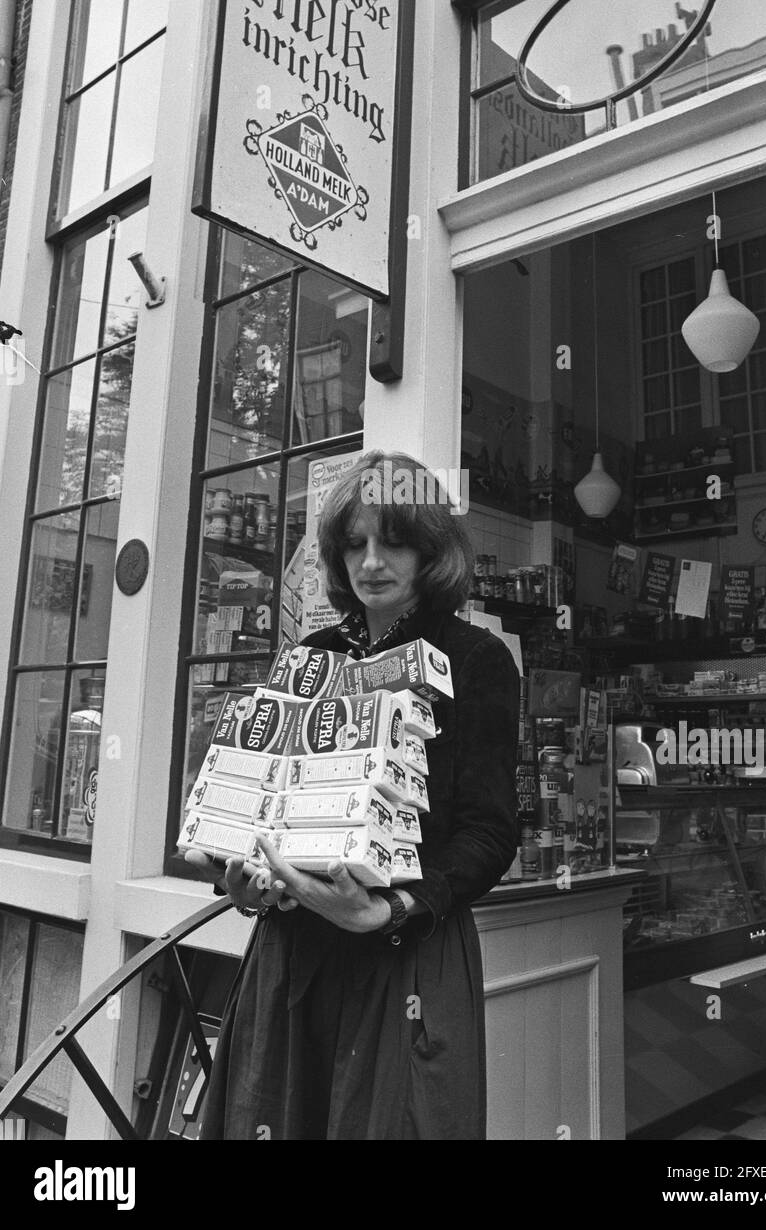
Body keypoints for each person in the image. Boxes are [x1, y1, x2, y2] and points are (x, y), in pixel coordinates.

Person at [187, 450, 520, 1140]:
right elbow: (270, 799)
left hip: (403, 951)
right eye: (353, 543)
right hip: (293, 950)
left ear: (431, 548)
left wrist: (391, 907)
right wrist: (245, 879)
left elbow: (490, 832)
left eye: (393, 539)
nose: (371, 561)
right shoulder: (312, 653)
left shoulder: (476, 659)